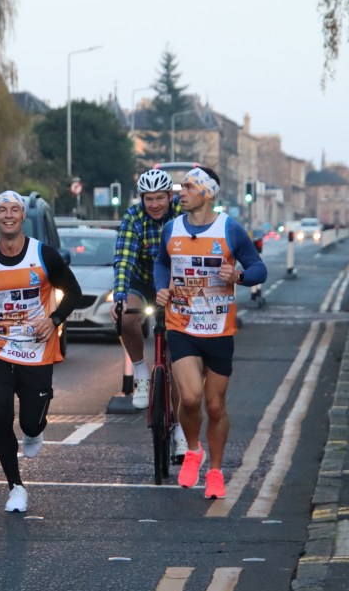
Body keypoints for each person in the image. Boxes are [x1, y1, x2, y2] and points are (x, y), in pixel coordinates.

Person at [0, 190, 82, 512]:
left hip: (36, 346)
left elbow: (74, 292)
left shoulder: (44, 255)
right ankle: (16, 487)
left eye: (14, 210)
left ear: (22, 217)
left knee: (32, 424)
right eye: (2, 210)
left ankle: (34, 432)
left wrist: (54, 320)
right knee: (3, 415)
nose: (9, 215)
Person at [154, 166, 267, 499]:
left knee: (215, 406)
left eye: (188, 187)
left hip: (219, 329)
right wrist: (162, 288)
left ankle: (216, 470)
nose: (180, 193)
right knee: (190, 397)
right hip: (182, 324)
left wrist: (239, 277)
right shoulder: (171, 229)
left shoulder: (230, 229)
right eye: (181, 188)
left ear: (206, 192)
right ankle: (192, 449)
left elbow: (259, 268)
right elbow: (162, 262)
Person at [111, 169, 183, 437]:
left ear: (170, 196)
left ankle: (178, 429)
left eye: (159, 198)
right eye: (148, 199)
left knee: (177, 361)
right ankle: (141, 373)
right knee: (126, 318)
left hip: (175, 283)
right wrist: (119, 298)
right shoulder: (133, 217)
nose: (154, 204)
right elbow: (124, 259)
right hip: (141, 280)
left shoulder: (181, 215)